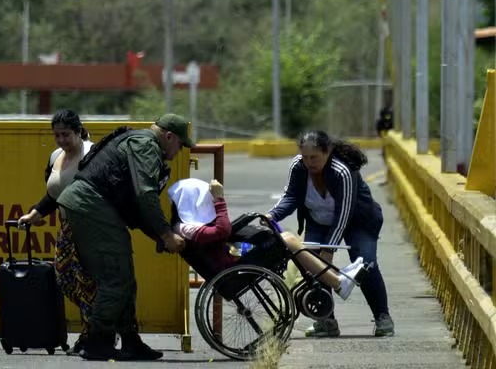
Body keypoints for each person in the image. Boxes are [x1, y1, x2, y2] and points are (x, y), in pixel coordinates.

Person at [56, 113, 191, 361]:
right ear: (169, 136)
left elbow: (136, 209)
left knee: (124, 276)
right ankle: (97, 341)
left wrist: (162, 236)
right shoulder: (146, 146)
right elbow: (146, 197)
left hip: (91, 207)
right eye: (181, 145)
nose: (180, 150)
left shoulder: (139, 142)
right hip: (91, 206)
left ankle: (130, 341)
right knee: (116, 279)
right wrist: (165, 234)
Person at [267, 131, 394, 338]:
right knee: (312, 265)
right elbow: (291, 197)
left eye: (314, 157)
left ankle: (383, 317)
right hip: (319, 220)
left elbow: (344, 214)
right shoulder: (298, 167)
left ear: (327, 153)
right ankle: (326, 321)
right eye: (305, 157)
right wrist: (271, 215)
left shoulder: (342, 171)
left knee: (366, 264)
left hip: (357, 221)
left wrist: (329, 249)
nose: (309, 162)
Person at [169, 177, 366, 300]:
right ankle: (338, 284)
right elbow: (221, 232)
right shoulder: (185, 227)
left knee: (286, 237)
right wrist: (219, 201)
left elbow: (223, 232)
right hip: (231, 275)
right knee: (287, 242)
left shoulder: (189, 222)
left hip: (232, 268)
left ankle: (335, 280)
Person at [17, 109, 96, 355]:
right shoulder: (55, 156)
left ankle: (92, 338)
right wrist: (35, 213)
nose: (62, 140)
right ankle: (94, 331)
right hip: (66, 227)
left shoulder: (93, 154)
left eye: (66, 135)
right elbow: (54, 195)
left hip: (93, 228)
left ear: (78, 131)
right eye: (57, 135)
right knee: (65, 279)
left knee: (89, 283)